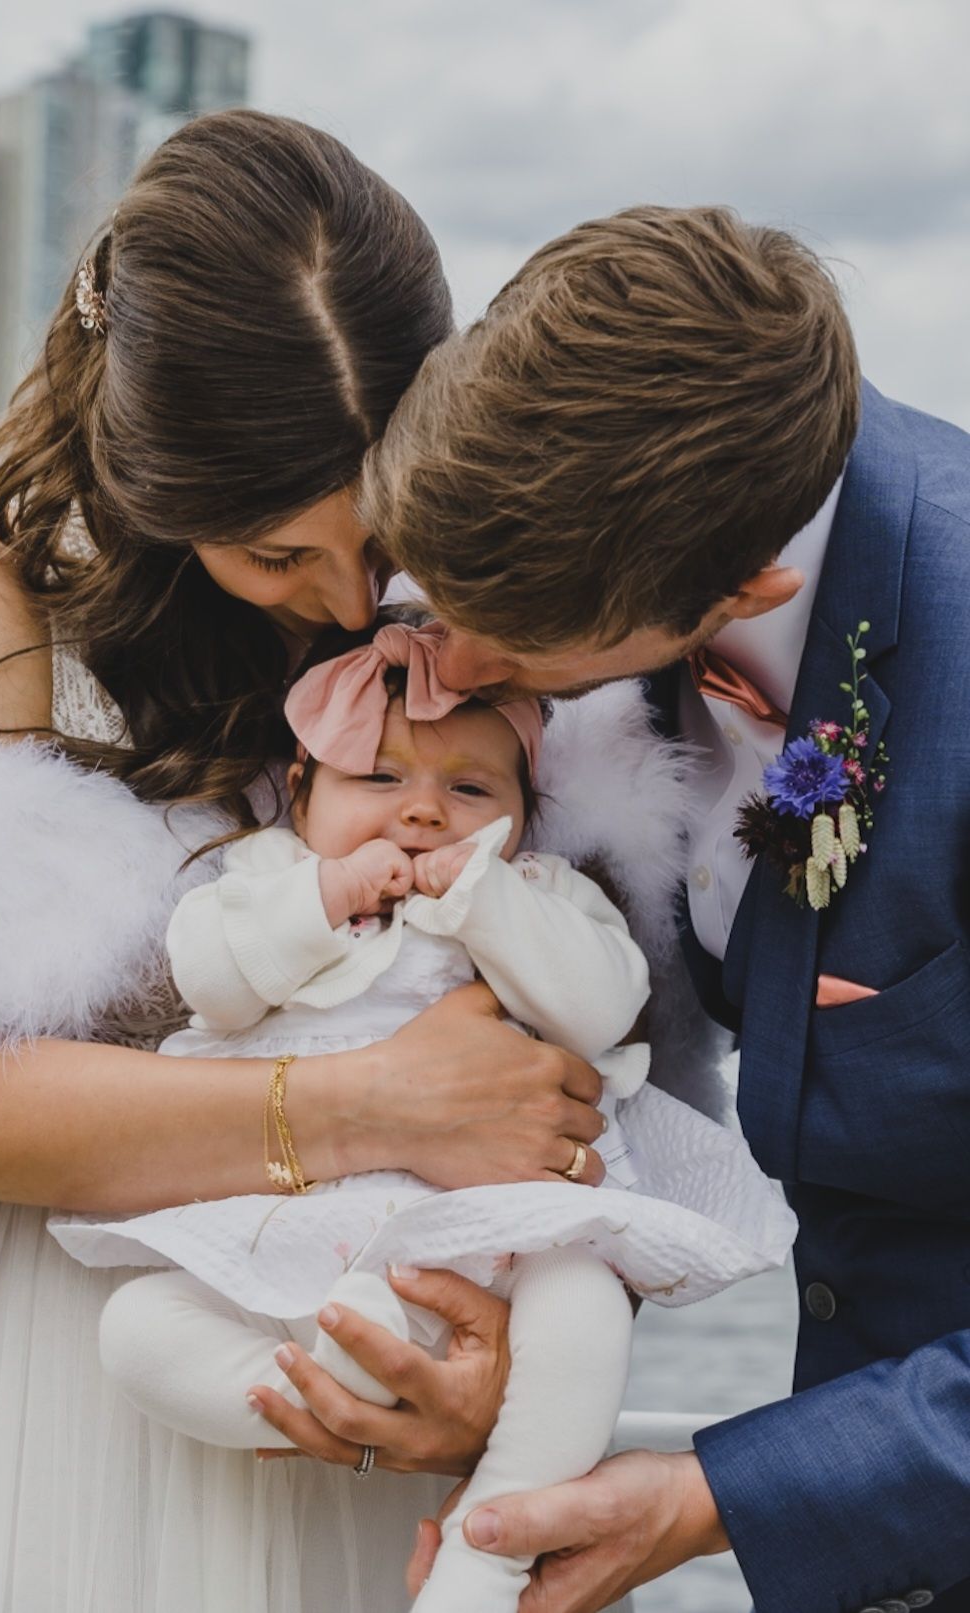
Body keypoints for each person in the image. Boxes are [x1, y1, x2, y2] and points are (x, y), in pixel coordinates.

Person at [0, 110, 615, 1613]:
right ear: (155, 478)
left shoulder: (474, 616)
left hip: (369, 1337)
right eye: (278, 555)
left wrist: (501, 1364)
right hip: (64, 1395)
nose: (349, 603)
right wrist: (369, 1103)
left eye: (376, 536)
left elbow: (576, 1051)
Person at [308, 203, 965, 1613]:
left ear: (746, 588)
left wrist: (711, 1496)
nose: (446, 667)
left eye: (508, 644)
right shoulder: (641, 453)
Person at [53, 617, 792, 1613]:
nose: (423, 809)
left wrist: (487, 901)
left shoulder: (538, 891)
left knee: (581, 1310)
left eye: (472, 790)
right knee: (138, 1329)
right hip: (295, 1227)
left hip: (489, 1235)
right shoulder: (267, 876)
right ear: (301, 789)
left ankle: (488, 1548)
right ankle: (321, 1383)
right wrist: (322, 899)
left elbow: (600, 1004)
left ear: (524, 819)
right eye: (378, 776)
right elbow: (211, 978)